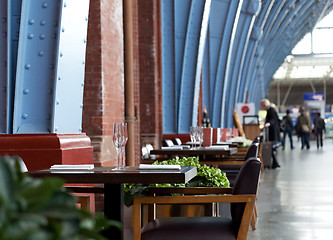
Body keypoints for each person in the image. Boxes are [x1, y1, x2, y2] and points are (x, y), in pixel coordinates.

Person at [260, 99, 281, 169]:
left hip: (273, 132)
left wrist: (268, 123)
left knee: (271, 148)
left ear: (264, 105)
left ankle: (275, 163)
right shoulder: (270, 110)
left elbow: (273, 120)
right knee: (271, 148)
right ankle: (275, 163)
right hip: (273, 132)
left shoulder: (271, 111)